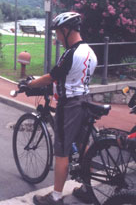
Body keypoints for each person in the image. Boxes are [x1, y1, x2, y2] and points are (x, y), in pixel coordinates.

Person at [19, 12, 97, 205]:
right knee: (82, 144)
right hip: (85, 100)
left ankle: (55, 197)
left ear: (66, 30)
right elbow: (72, 78)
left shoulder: (71, 53)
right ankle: (88, 189)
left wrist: (31, 84)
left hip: (69, 105)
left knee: (61, 150)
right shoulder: (90, 51)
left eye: (58, 33)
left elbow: (52, 76)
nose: (57, 38)